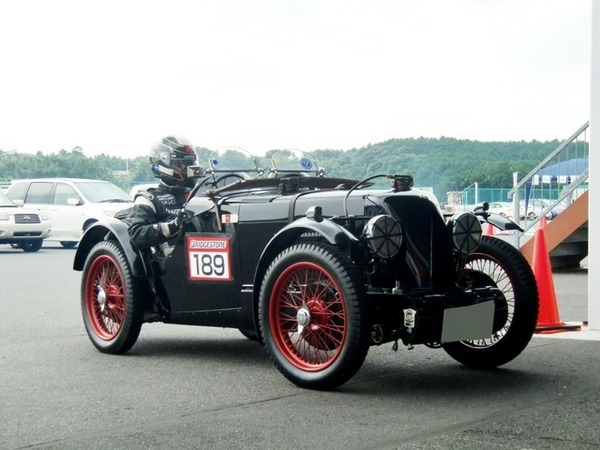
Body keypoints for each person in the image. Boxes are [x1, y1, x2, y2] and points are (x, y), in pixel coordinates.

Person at [128, 135, 197, 254]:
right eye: (182, 164)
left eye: (190, 163)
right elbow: (137, 233)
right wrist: (173, 225)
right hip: (174, 257)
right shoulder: (148, 198)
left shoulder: (196, 196)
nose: (187, 169)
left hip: (202, 248)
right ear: (164, 163)